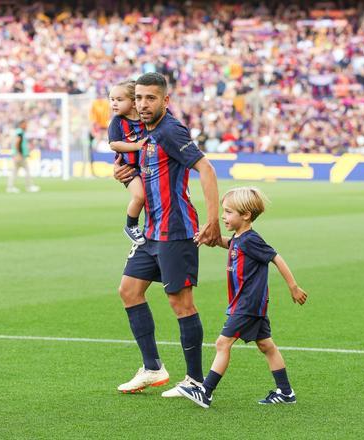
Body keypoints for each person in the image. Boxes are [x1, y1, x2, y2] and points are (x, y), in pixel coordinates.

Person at [113, 72, 221, 397]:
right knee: (129, 291)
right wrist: (126, 175)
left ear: (165, 101)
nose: (144, 104)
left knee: (180, 303)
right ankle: (152, 368)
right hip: (151, 231)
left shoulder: (170, 130)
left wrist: (213, 220)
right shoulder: (143, 133)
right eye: (140, 98)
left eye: (151, 98)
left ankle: (196, 382)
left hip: (175, 231)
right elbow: (153, 177)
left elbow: (206, 168)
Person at [178, 187, 308, 408]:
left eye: (228, 212)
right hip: (249, 305)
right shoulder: (240, 238)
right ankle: (286, 392)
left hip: (247, 304)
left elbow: (275, 257)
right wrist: (212, 239)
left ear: (245, 215)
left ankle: (206, 392)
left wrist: (293, 286)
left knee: (222, 343)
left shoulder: (251, 240)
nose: (223, 216)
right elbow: (230, 244)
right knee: (267, 346)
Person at [108, 80, 148, 245]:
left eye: (119, 99)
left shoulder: (146, 119)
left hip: (147, 168)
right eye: (112, 99)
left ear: (133, 103)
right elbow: (114, 144)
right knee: (139, 196)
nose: (114, 103)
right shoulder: (117, 122)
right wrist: (136, 146)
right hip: (129, 169)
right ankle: (131, 225)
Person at [6, 119, 40, 193]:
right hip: (19, 155)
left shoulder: (19, 132)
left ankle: (10, 187)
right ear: (21, 124)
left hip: (17, 154)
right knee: (27, 170)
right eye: (25, 124)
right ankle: (29, 186)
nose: (26, 126)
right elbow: (17, 143)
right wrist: (20, 153)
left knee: (14, 171)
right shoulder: (20, 132)